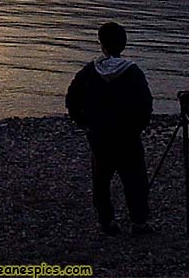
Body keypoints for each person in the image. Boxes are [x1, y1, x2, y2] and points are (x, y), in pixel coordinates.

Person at [65, 22, 154, 236]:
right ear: (123, 44)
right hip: (127, 136)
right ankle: (139, 222)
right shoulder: (132, 71)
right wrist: (138, 127)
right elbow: (145, 103)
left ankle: (107, 221)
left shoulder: (90, 71)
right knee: (135, 180)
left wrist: (84, 123)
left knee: (101, 180)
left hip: (99, 135)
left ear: (101, 44)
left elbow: (72, 99)